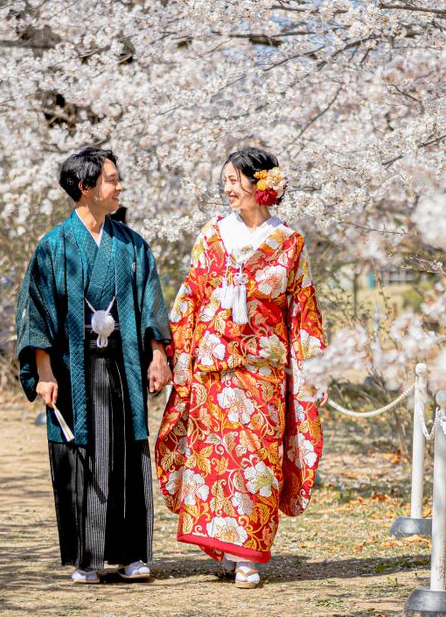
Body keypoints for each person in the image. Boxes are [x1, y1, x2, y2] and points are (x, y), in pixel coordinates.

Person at [155, 147, 327, 589]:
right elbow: (190, 295)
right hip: (214, 365)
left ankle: (248, 552)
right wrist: (174, 355)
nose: (228, 188)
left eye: (235, 180)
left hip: (263, 368)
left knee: (258, 459)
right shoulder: (212, 235)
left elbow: (303, 308)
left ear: (260, 184)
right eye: (226, 180)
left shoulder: (289, 242)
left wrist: (314, 368)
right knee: (216, 460)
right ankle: (225, 544)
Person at [16, 147, 173, 584]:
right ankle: (87, 558)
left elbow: (151, 303)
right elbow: (38, 314)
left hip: (123, 365)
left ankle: (132, 554)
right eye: (111, 179)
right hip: (73, 369)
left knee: (127, 452)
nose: (119, 187)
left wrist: (159, 354)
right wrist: (44, 374)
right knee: (81, 453)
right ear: (85, 187)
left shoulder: (132, 245)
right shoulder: (53, 246)